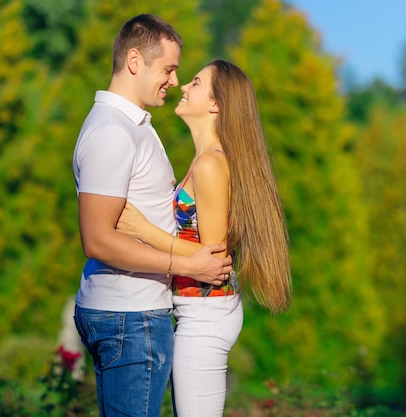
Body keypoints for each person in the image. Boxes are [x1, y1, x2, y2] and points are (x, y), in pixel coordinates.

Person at [71, 15, 233, 417]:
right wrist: (185, 263)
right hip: (131, 317)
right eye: (169, 69)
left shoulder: (134, 126)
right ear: (134, 61)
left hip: (137, 315)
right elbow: (98, 239)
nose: (175, 81)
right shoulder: (114, 131)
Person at [116, 60, 292, 417]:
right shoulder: (205, 160)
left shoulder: (211, 164)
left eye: (196, 83)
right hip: (200, 312)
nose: (184, 87)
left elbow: (212, 258)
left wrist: (141, 230)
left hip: (206, 315)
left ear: (216, 105)